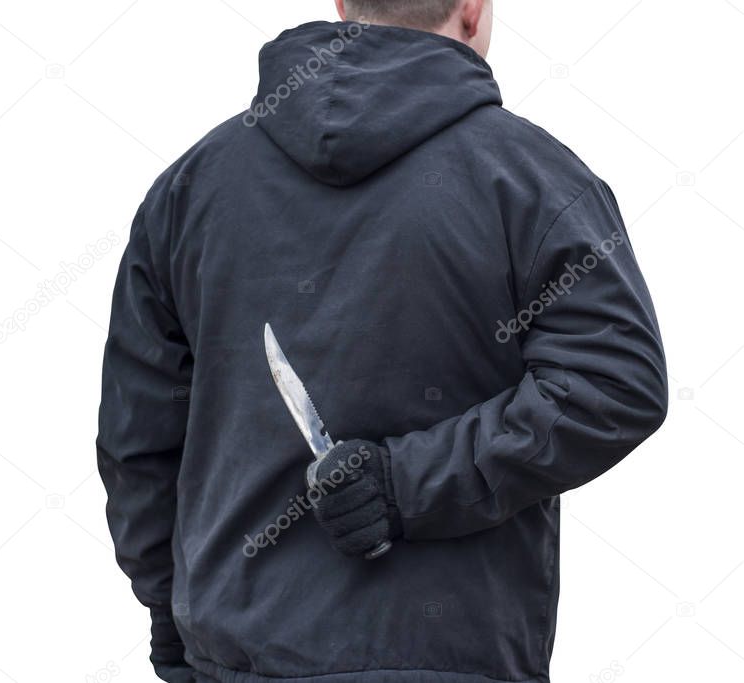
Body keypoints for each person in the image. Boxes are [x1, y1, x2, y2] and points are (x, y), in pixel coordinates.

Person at [96, 0, 668, 681]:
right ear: (472, 9)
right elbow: (612, 383)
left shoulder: (192, 187)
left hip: (240, 657)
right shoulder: (532, 178)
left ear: (342, 3)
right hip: (453, 658)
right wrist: (413, 485)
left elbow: (139, 441)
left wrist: (169, 614)